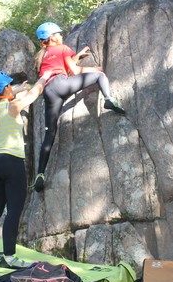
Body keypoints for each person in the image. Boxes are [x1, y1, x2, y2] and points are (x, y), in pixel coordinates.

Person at [0, 70, 51, 269]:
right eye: (8, 85)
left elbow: (15, 93)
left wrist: (20, 88)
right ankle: (9, 258)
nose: (10, 87)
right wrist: (45, 77)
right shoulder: (13, 106)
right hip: (12, 162)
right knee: (14, 211)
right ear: (4, 90)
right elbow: (34, 94)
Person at [33, 22, 125, 193]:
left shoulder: (43, 55)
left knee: (49, 134)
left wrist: (78, 55)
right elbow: (74, 71)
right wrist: (94, 68)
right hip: (62, 84)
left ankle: (40, 174)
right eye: (58, 34)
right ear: (52, 37)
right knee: (99, 76)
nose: (61, 36)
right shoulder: (62, 48)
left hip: (49, 91)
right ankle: (109, 99)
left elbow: (62, 67)